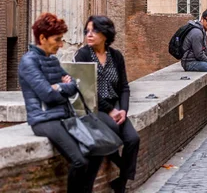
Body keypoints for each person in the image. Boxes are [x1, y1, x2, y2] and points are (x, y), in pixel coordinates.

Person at [19, 13, 102, 193]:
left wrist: (61, 86)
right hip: (44, 120)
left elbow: (73, 84)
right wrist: (61, 86)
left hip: (64, 116)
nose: (61, 44)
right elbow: (47, 95)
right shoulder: (28, 62)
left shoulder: (53, 60)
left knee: (96, 150)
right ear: (42, 38)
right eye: (57, 39)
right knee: (79, 161)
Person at [74, 16, 140, 193]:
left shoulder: (116, 56)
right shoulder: (83, 55)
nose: (89, 35)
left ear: (105, 34)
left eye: (94, 31)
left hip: (115, 106)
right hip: (93, 107)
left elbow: (124, 87)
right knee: (113, 128)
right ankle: (120, 164)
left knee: (133, 139)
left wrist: (123, 110)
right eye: (87, 31)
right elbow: (86, 89)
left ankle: (122, 183)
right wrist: (110, 110)